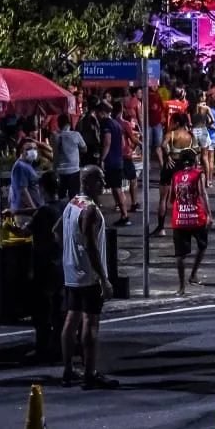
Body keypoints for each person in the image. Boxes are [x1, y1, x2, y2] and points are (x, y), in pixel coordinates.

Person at [57, 166, 119, 389]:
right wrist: (103, 278)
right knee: (90, 322)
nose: (103, 184)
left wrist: (69, 253)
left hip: (71, 270)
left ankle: (67, 370)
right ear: (89, 182)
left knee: (71, 318)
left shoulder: (72, 203)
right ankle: (90, 373)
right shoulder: (90, 210)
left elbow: (57, 230)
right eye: (100, 180)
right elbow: (91, 244)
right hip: (89, 274)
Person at [23, 172, 65, 365]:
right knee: (59, 309)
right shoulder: (64, 206)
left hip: (45, 266)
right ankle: (59, 347)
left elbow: (25, 230)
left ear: (42, 189)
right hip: (62, 265)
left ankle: (42, 349)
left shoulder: (44, 212)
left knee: (42, 311)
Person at [169, 150, 211, 296]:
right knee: (202, 246)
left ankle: (181, 287)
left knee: (180, 256)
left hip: (179, 219)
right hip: (196, 217)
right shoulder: (199, 174)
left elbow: (171, 199)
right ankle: (193, 274)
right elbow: (202, 193)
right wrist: (209, 214)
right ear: (195, 161)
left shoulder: (175, 176)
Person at [53, 114, 86, 202]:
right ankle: (74, 215)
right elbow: (84, 149)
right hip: (74, 171)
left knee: (61, 197)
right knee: (75, 197)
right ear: (69, 124)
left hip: (60, 172)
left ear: (59, 124)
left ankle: (63, 214)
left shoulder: (55, 137)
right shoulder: (76, 135)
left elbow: (55, 155)